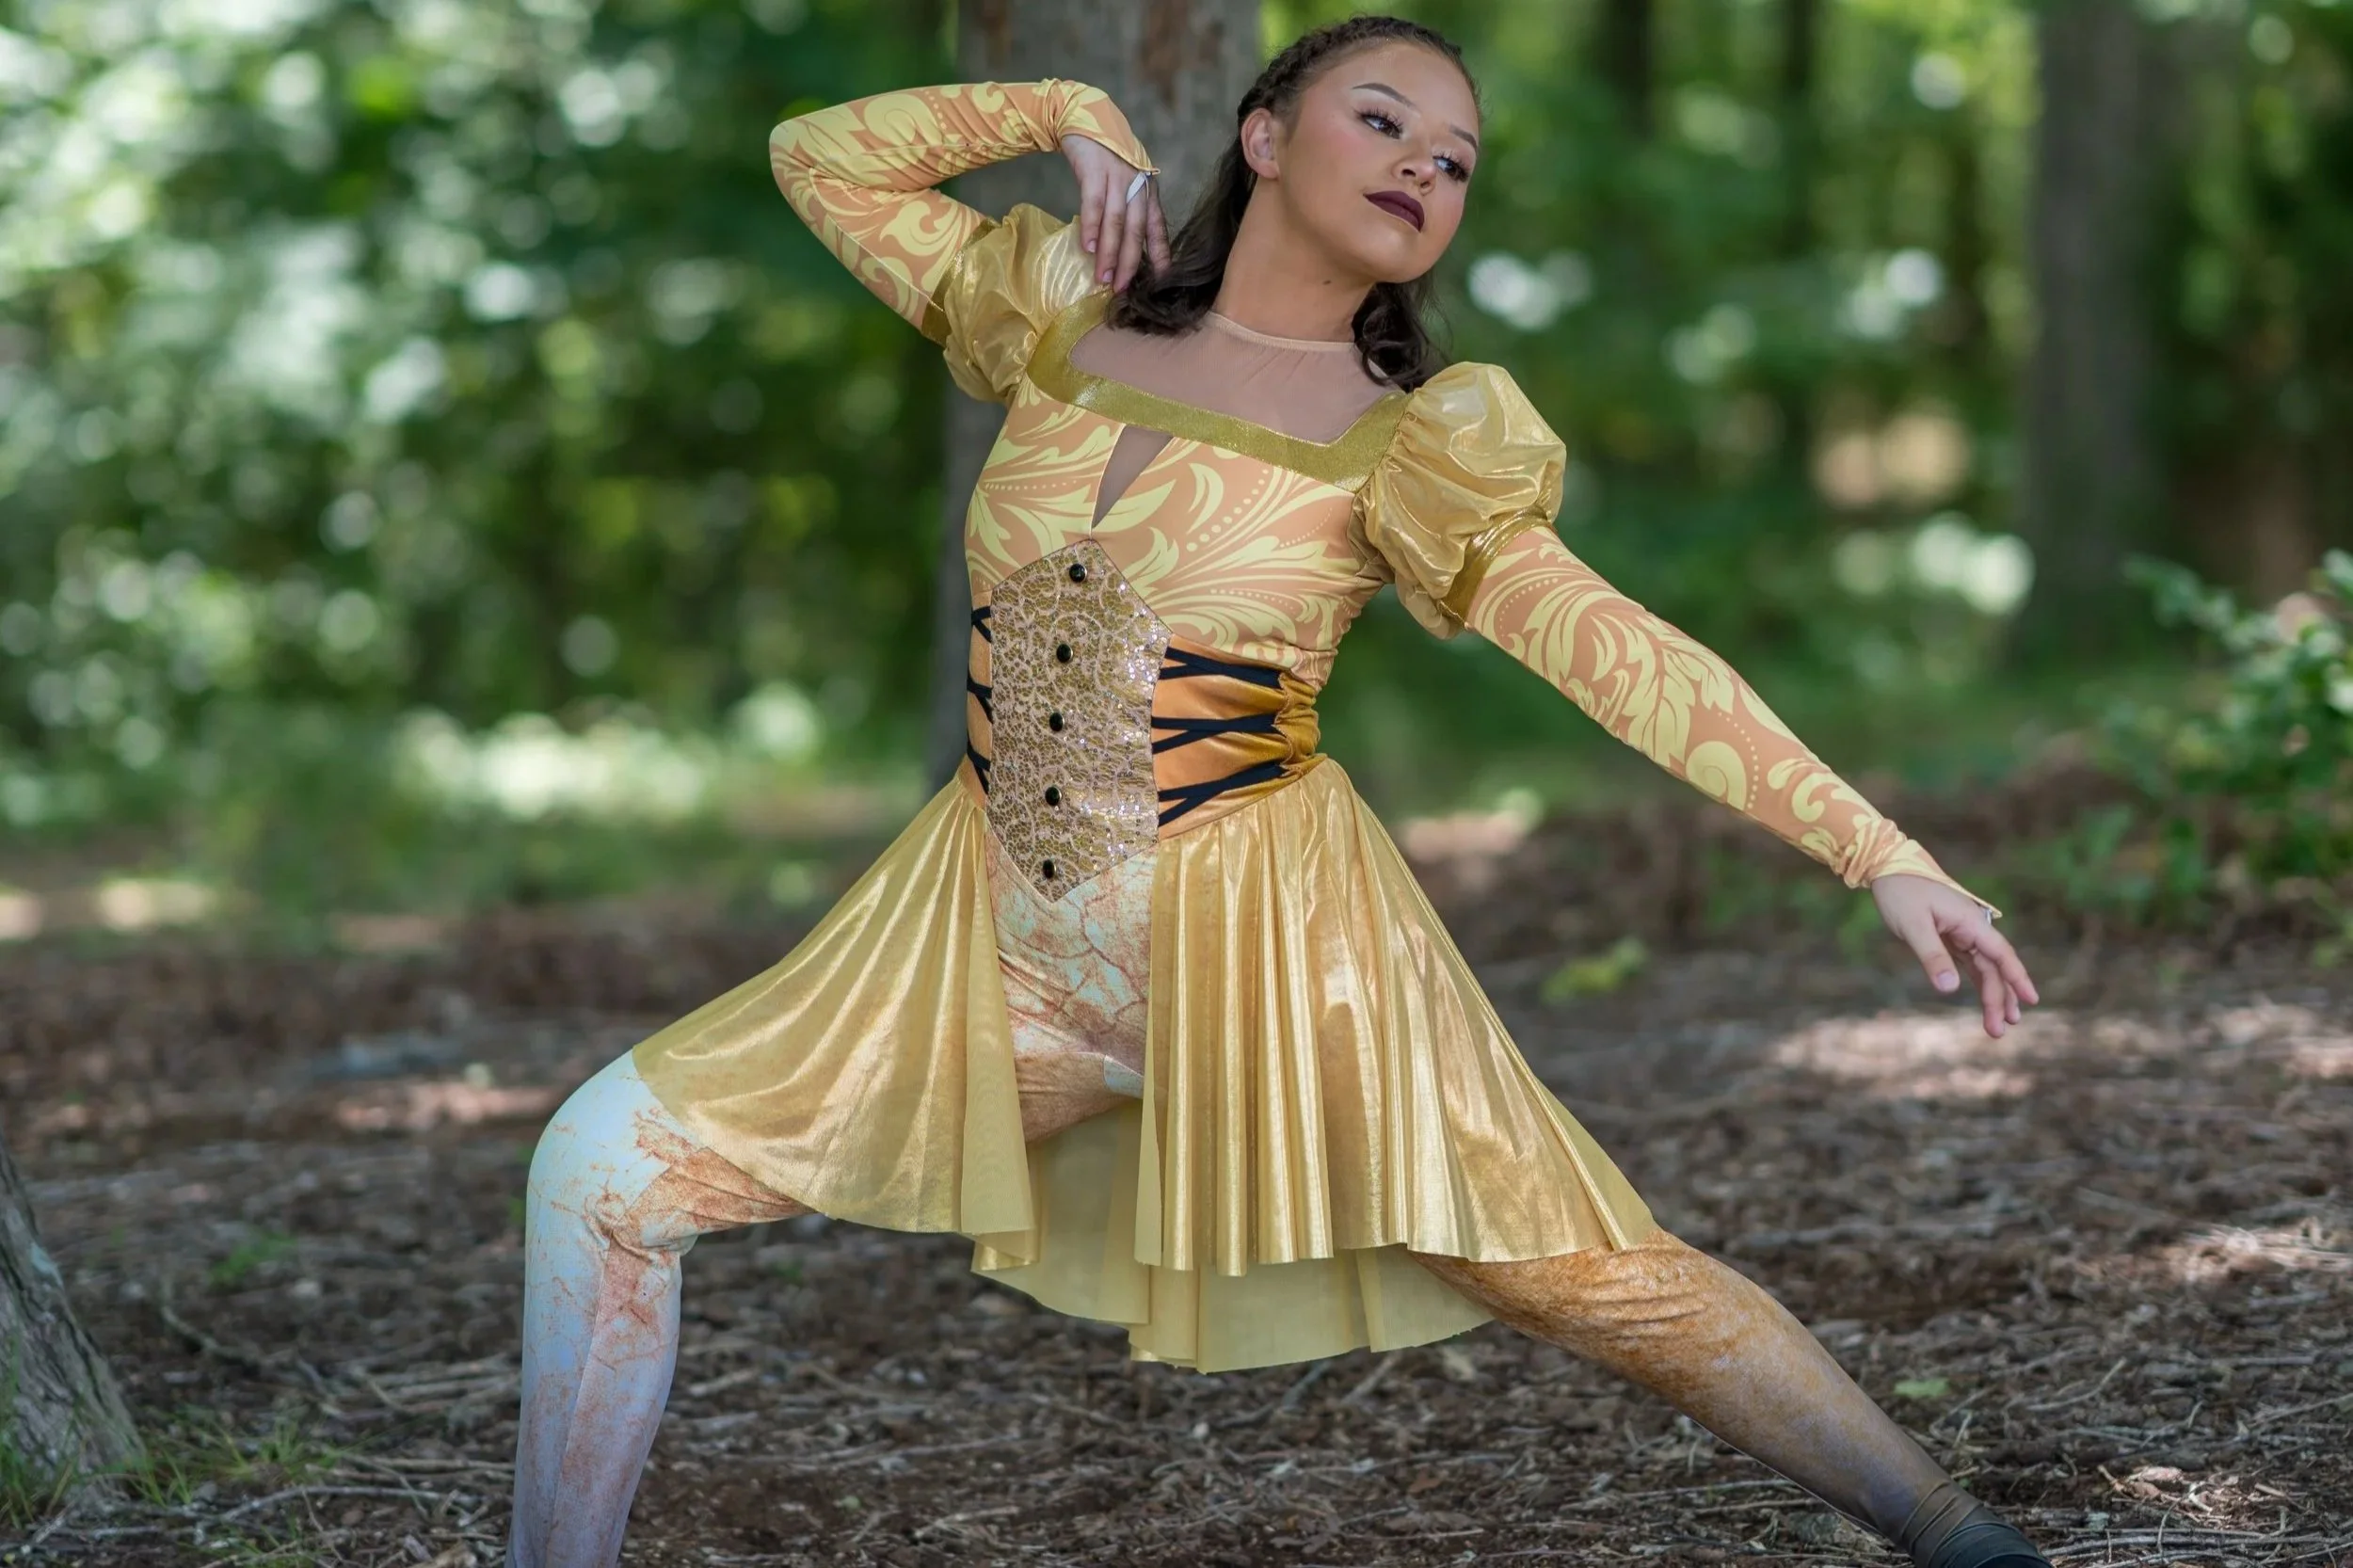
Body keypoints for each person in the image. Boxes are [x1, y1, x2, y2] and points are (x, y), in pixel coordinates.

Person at [505, 16, 2050, 1568]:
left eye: (1453, 161)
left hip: (1269, 951)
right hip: (986, 942)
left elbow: (1617, 649)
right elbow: (815, 156)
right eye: (1382, 122)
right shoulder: (1053, 310)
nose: (1423, 168)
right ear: (1261, 137)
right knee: (598, 1171)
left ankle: (1954, 1532)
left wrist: (1878, 850)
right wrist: (1060, 109)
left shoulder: (1409, 440)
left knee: (1584, 1267)